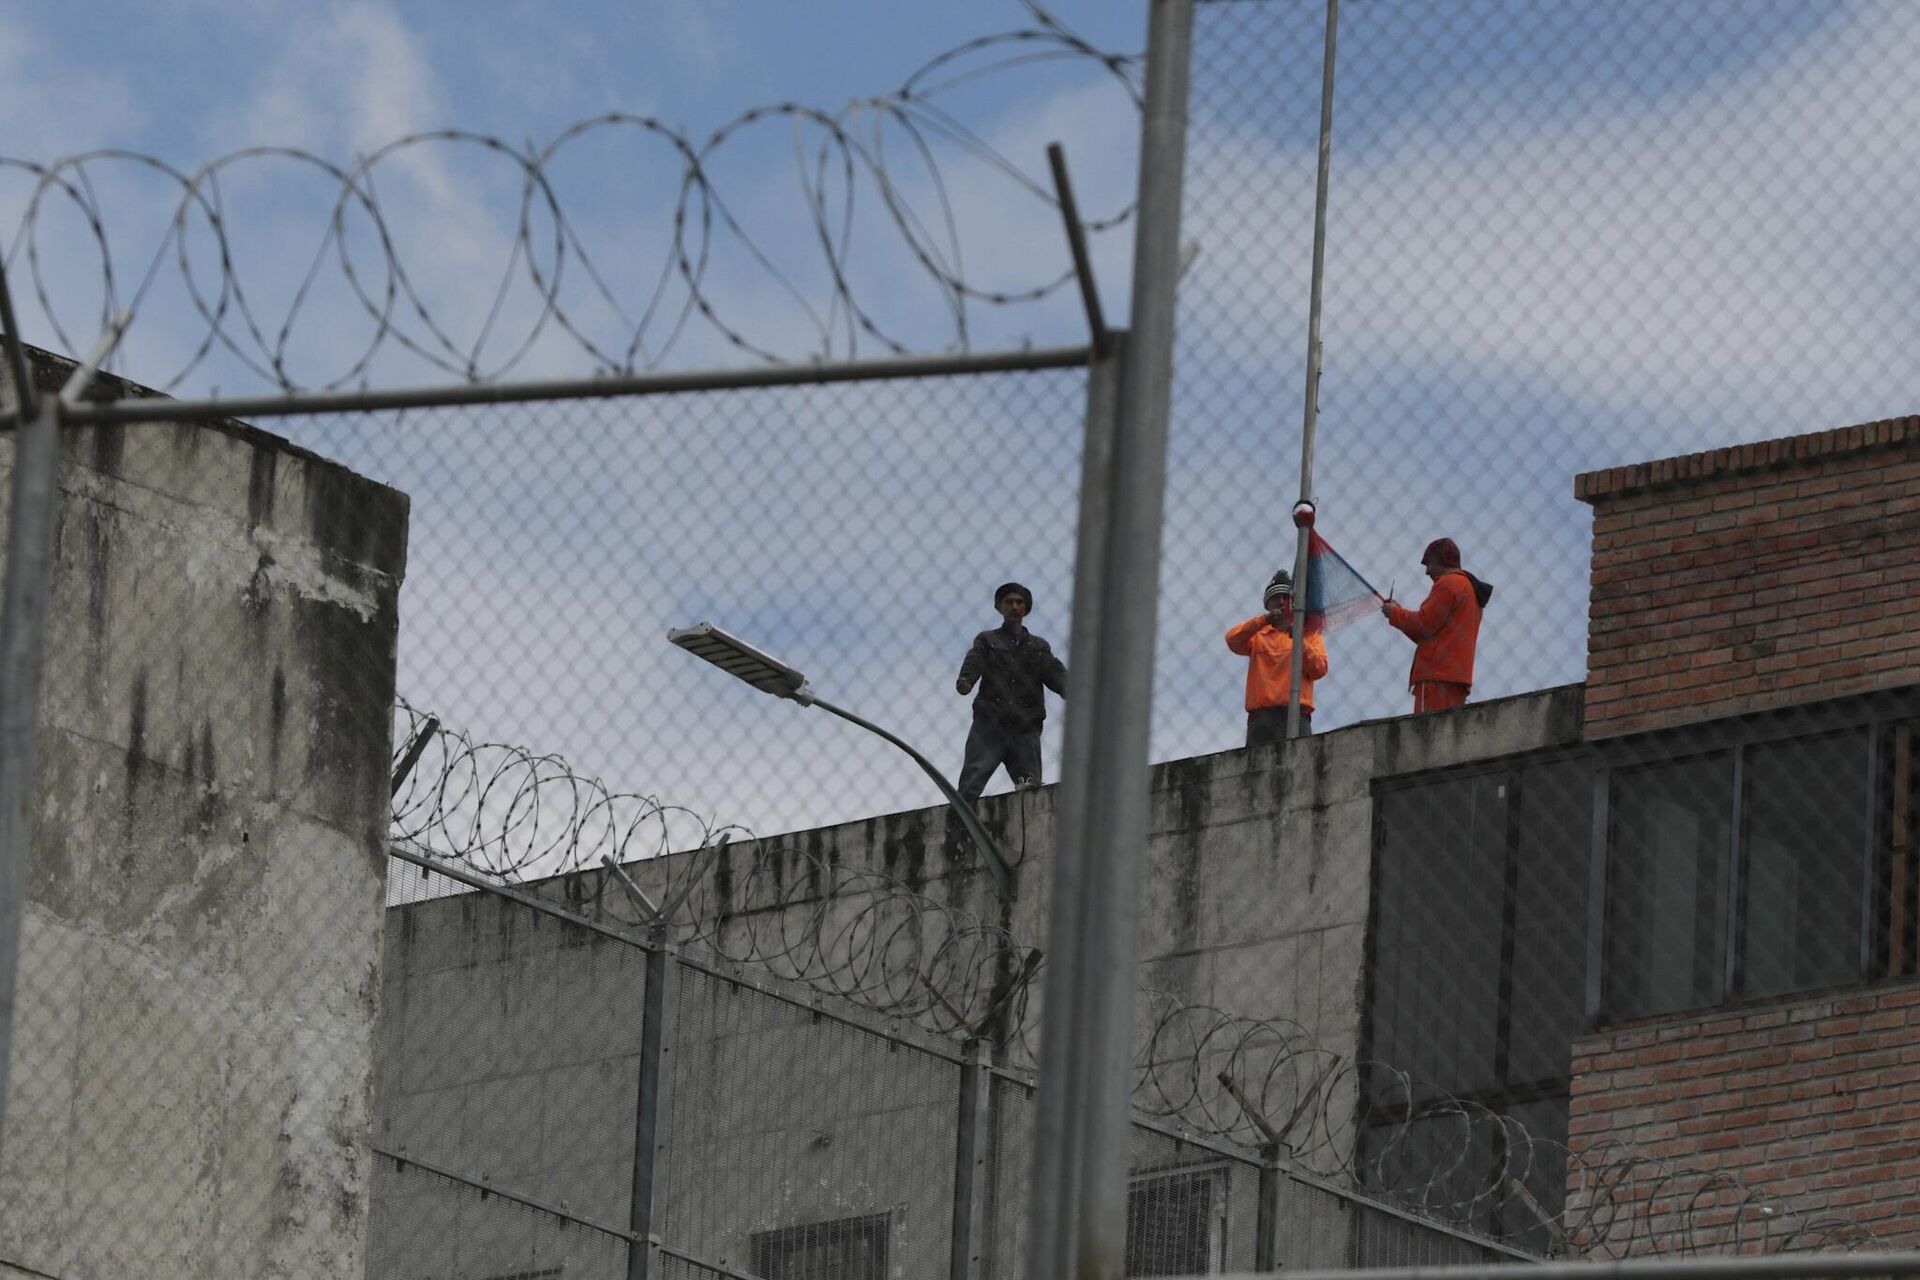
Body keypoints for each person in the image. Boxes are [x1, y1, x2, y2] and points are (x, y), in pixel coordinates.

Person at [956, 582, 1068, 801]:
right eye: (1009, 602)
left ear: (1026, 608)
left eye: (1020, 602)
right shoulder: (987, 640)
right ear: (999, 606)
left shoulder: (1038, 647)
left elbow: (1057, 675)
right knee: (970, 786)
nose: (1015, 606)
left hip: (1025, 726)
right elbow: (975, 659)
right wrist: (966, 680)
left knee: (1031, 792)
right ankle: (961, 830)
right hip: (990, 723)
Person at [1381, 537, 1493, 714]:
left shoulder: (1448, 584)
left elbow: (1423, 624)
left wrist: (1394, 613)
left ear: (1442, 561)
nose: (1427, 571)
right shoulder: (1469, 590)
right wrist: (1397, 613)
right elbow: (1429, 633)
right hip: (1456, 677)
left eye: (1429, 564)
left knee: (1427, 733)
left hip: (1436, 675)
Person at [1225, 569, 1329, 746]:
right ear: (1268, 605)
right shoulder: (1258, 635)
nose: (1281, 602)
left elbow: (1319, 668)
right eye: (1276, 598)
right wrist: (1263, 621)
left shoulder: (1308, 634)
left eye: (1286, 597)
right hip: (1262, 717)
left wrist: (1298, 639)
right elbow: (1232, 639)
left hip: (1297, 713)